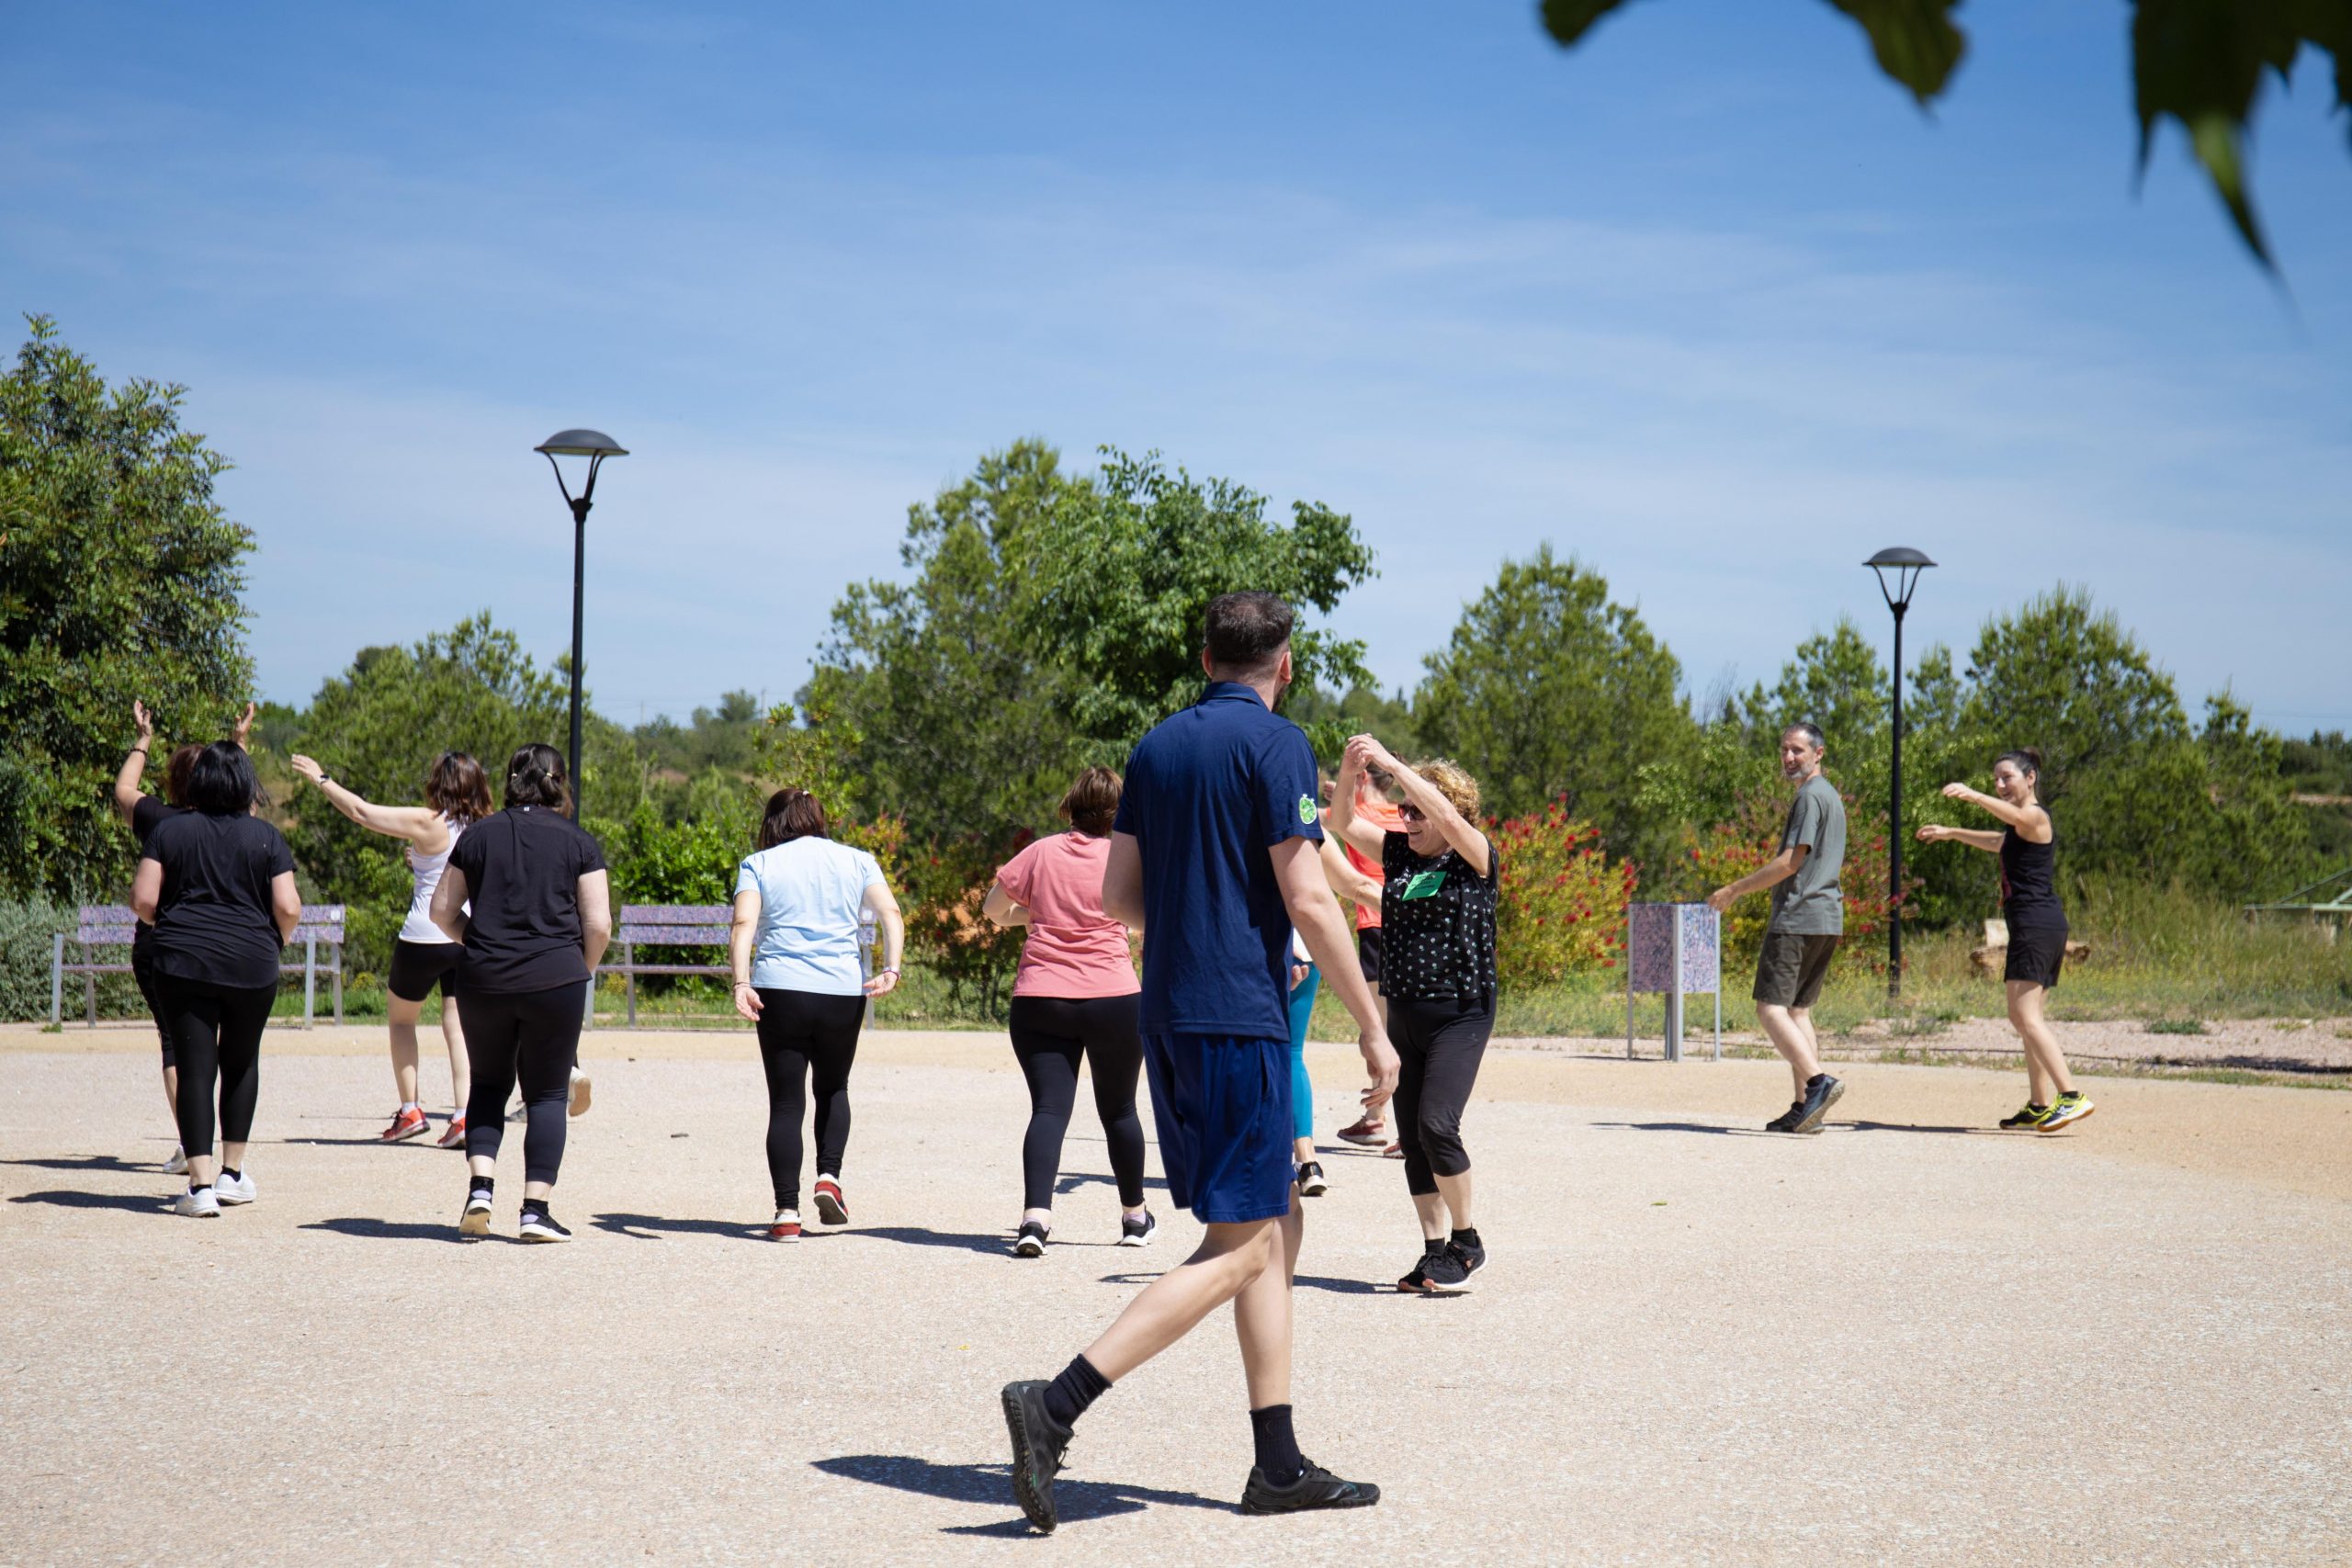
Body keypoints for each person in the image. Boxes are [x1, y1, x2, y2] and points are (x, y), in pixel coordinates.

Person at [1000, 592, 1397, 1532]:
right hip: (1236, 1019)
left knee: (1276, 1219)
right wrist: (1372, 1026)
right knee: (1244, 1244)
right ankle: (1053, 1404)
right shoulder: (1277, 744)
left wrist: (1197, 923)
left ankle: (1278, 1463)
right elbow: (1310, 897)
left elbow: (1119, 898)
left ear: (1207, 657)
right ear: (1283, 664)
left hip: (1169, 1014)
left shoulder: (1155, 748)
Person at [1329, 738, 1499, 1294]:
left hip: (1460, 1011)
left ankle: (1467, 1241)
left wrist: (1391, 764)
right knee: (1413, 1137)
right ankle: (1434, 1250)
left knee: (1437, 1124)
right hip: (1405, 1010)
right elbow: (1342, 824)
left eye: (1417, 810)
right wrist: (1351, 771)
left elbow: (1446, 818)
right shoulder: (1400, 853)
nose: (1409, 819)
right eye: (1404, 810)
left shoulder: (1474, 855)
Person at [429, 744, 610, 1243]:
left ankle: (480, 1191)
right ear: (560, 783)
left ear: (509, 781)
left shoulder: (477, 835)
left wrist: (479, 942)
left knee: (488, 1085)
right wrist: (579, 968)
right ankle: (535, 1211)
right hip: (556, 978)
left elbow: (441, 911)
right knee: (547, 1093)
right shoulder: (579, 841)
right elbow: (598, 924)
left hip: (483, 978)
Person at [982, 766, 1153, 1255]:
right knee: (1120, 1110)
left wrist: (1034, 915)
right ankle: (1135, 1218)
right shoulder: (1127, 857)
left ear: (1071, 807)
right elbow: (1145, 919)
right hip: (1113, 998)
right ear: (1118, 814)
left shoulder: (1040, 852)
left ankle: (1034, 1220)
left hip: (1041, 998)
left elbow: (993, 910)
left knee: (1049, 1109)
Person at [130, 741, 301, 1219]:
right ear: (246, 783)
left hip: (182, 962)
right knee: (241, 1063)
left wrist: (171, 927)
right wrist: (276, 941)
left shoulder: (169, 831)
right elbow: (288, 907)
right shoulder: (266, 837)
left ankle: (200, 1186)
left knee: (194, 1068)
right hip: (252, 963)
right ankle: (233, 1175)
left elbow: (143, 900)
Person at [728, 787, 905, 1242]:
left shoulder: (758, 863)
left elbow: (744, 923)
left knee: (786, 1103)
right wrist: (891, 968)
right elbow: (890, 912)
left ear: (774, 823)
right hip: (841, 991)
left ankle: (787, 1212)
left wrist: (741, 981)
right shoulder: (858, 860)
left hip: (780, 990)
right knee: (833, 1088)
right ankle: (829, 1177)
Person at [289, 750, 491, 1148]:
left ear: (440, 783)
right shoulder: (486, 827)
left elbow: (362, 812)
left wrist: (322, 779)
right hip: (466, 934)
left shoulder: (427, 822)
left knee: (401, 1021)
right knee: (458, 1025)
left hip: (424, 935)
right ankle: (464, 1116)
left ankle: (411, 1111)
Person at [1916, 749, 2094, 1132]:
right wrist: (1951, 833)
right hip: (2039, 925)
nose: (1999, 785)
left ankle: (2071, 1096)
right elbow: (1999, 841)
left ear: (2030, 778)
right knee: (2030, 1020)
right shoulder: (2020, 828)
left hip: (2036, 925)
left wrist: (1972, 795)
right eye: (1995, 780)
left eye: (2006, 778)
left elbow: (2013, 819)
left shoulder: (2035, 816)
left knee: (2022, 1016)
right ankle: (2039, 1103)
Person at [1706, 723, 1848, 1134]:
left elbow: (1790, 862)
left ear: (1819, 753)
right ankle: (1806, 1109)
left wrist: (1734, 889)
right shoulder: (1830, 795)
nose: (1788, 757)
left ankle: (1818, 1083)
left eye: (1797, 750)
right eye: (1784, 749)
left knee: (1769, 1008)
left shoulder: (1809, 796)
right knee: (1797, 1010)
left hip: (1798, 916)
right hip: (1827, 917)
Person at [112, 701, 208, 1174]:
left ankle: (192, 1146)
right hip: (212, 945)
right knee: (208, 1041)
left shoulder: (159, 819)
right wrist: (240, 743)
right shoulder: (229, 825)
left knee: (173, 1042)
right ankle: (204, 1143)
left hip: (160, 943)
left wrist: (143, 738)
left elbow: (123, 789)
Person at [1330, 767, 1398, 1152]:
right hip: (1410, 924)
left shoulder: (1358, 816)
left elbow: (1302, 816)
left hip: (1375, 923)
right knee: (1396, 1027)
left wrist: (1339, 795)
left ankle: (1388, 1123)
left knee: (1379, 1032)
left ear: (1361, 779)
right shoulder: (1405, 814)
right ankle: (1376, 1118)